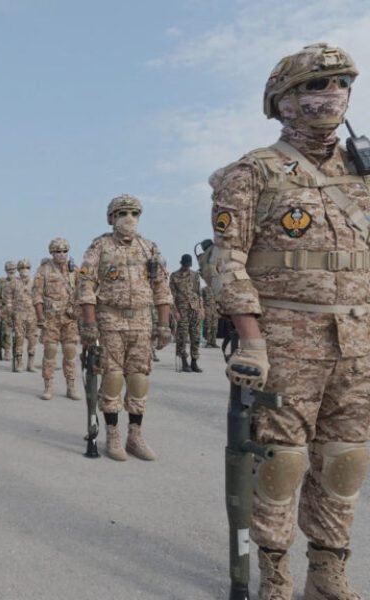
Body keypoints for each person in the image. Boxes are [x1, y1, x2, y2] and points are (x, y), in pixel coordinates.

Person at [208, 43, 370, 599]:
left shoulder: (364, 170)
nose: (333, 95)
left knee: (345, 458)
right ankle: (275, 571)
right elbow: (226, 260)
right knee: (282, 462)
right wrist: (250, 339)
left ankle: (327, 572)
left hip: (358, 341)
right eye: (315, 86)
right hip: (286, 343)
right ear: (282, 101)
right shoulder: (252, 173)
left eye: (342, 83)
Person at [77, 194, 173, 461]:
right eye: (122, 214)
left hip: (142, 322)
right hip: (110, 320)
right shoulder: (100, 247)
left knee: (139, 377)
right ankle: (112, 432)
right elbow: (85, 286)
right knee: (112, 376)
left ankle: (135, 434)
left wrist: (163, 324)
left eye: (134, 213)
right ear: (112, 218)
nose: (129, 219)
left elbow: (162, 288)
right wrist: (88, 324)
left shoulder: (149, 248)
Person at [33, 238, 80, 400]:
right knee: (50, 352)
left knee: (70, 352)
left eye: (64, 251)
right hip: (50, 319)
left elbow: (83, 292)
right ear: (52, 253)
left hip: (70, 319)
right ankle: (48, 386)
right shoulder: (44, 270)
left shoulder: (75, 270)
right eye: (57, 251)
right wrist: (40, 317)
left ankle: (71, 386)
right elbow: (37, 295)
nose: (61, 254)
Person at [169, 254, 204, 373]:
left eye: (188, 265)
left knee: (196, 336)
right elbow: (171, 296)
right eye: (185, 265)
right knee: (182, 336)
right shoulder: (174, 276)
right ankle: (184, 361)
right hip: (182, 310)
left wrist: (201, 308)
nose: (187, 267)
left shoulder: (195, 275)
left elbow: (198, 293)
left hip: (194, 309)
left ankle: (194, 362)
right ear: (181, 263)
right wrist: (175, 311)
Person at [5, 259, 38, 372]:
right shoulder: (13, 283)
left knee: (32, 339)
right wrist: (10, 313)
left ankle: (31, 364)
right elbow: (8, 299)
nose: (25, 271)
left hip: (32, 315)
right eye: (22, 268)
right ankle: (19, 363)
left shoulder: (35, 282)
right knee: (19, 338)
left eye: (27, 268)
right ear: (18, 270)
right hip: (18, 315)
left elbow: (40, 298)